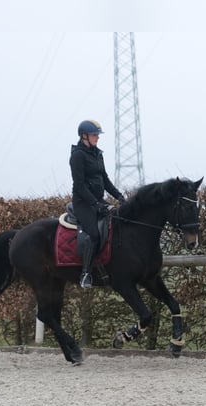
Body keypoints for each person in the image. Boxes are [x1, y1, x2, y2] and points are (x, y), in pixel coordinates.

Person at [69, 119, 125, 288]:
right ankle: (86, 274)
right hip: (83, 203)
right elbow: (79, 185)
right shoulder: (77, 155)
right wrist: (95, 204)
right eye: (95, 135)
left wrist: (119, 196)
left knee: (115, 226)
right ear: (84, 136)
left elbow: (105, 179)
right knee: (93, 234)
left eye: (97, 135)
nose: (97, 138)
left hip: (98, 200)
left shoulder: (98, 153)